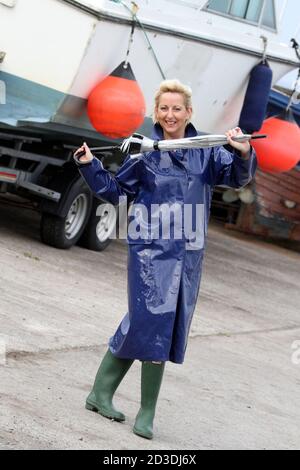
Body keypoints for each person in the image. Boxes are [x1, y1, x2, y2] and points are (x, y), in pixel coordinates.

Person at [74, 79, 257, 440]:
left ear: (189, 113)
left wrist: (243, 151)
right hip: (149, 252)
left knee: (158, 324)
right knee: (152, 323)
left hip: (188, 253)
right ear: (155, 113)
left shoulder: (207, 150)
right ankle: (146, 412)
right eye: (163, 108)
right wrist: (90, 165)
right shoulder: (145, 151)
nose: (169, 115)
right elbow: (114, 191)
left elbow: (237, 176)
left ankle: (100, 393)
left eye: (176, 108)